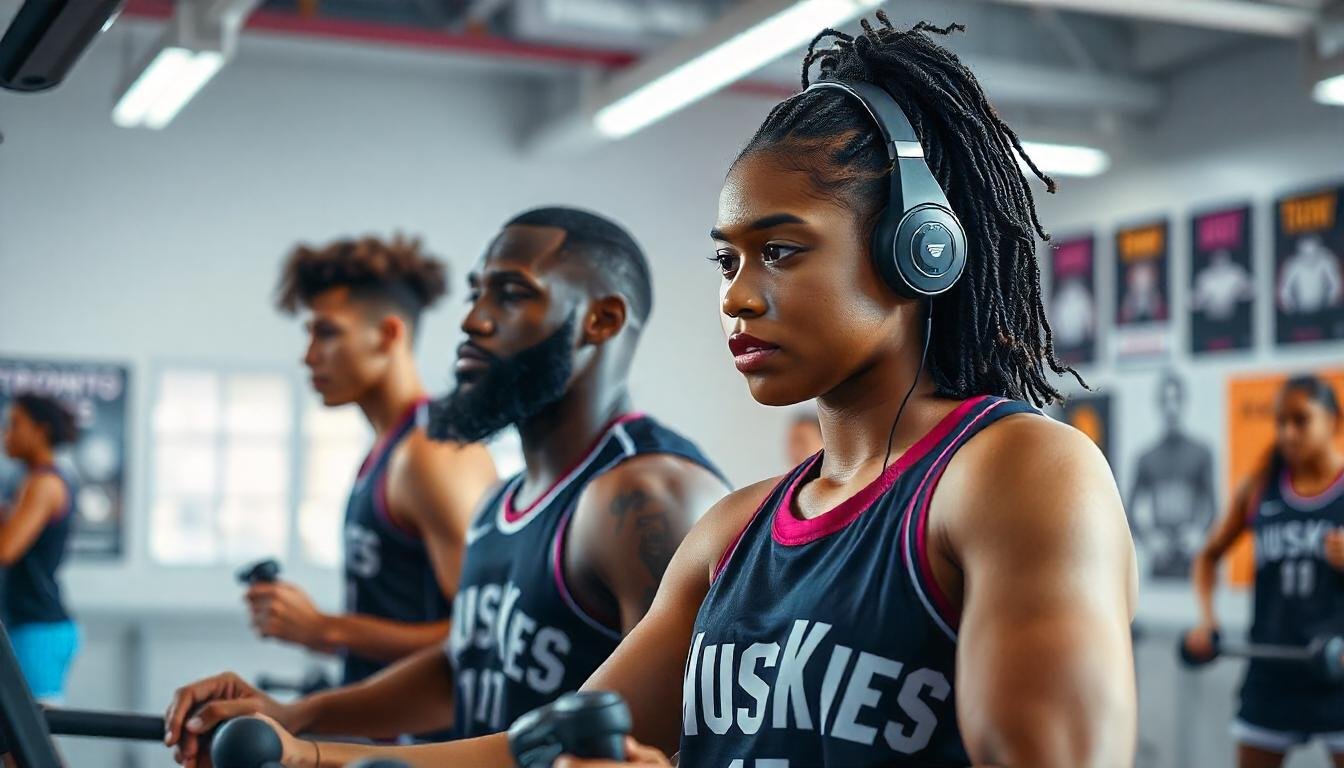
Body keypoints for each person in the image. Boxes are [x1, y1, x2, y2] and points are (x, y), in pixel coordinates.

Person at [190, 17, 1138, 768]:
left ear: (918, 252)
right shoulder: (734, 529)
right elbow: (544, 742)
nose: (736, 294)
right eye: (727, 258)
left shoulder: (1018, 473)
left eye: (780, 250)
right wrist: (306, 751)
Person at [163, 208, 727, 766]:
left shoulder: (646, 498)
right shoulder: (501, 502)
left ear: (599, 320)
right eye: (475, 293)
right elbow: (464, 666)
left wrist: (310, 756)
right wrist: (299, 715)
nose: (473, 321)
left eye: (510, 294)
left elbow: (650, 739)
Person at [248, 236, 498, 686]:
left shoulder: (432, 453)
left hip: (432, 750)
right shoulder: (390, 447)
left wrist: (327, 629)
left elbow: (482, 633)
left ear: (388, 335)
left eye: (326, 332)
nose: (308, 356)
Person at [1187, 375, 1344, 768]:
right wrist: (1207, 620)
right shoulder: (1259, 486)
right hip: (1271, 675)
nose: (1288, 433)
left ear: (1333, 421)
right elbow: (1208, 556)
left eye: (1300, 420)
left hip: (1338, 675)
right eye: (1280, 422)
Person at [1, 394, 81, 704]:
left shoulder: (45, 483)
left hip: (39, 631)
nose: (5, 433)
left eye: (14, 424)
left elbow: (6, 549)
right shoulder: (27, 481)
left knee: (34, 747)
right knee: (13, 746)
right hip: (24, 624)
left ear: (41, 430)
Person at [1127, 371, 1217, 580]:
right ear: (1159, 405)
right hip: (1161, 559)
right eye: (1166, 400)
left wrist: (1199, 533)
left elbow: (1213, 505)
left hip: (1192, 559)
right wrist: (1149, 540)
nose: (1171, 407)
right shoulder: (1146, 457)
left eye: (1176, 399)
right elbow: (1128, 510)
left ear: (1184, 402)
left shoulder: (1201, 452)